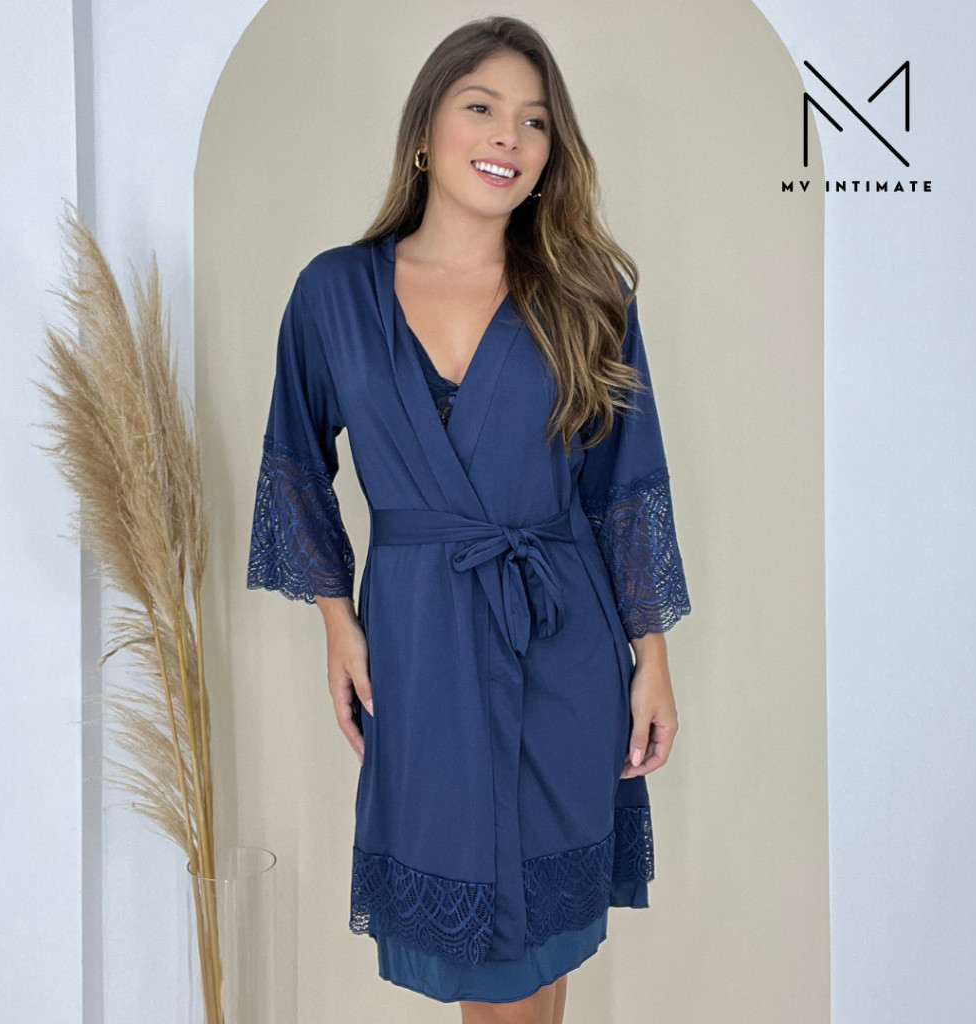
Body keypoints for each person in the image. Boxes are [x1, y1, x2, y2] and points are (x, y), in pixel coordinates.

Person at [247, 15, 691, 1023]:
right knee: (481, 950)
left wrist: (652, 656)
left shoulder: (586, 293)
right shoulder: (333, 293)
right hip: (421, 644)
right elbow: (294, 466)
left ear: (550, 153)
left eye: (534, 121)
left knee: (539, 947)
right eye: (481, 107)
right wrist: (336, 624)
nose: (508, 136)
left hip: (565, 640)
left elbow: (625, 484)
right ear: (424, 131)